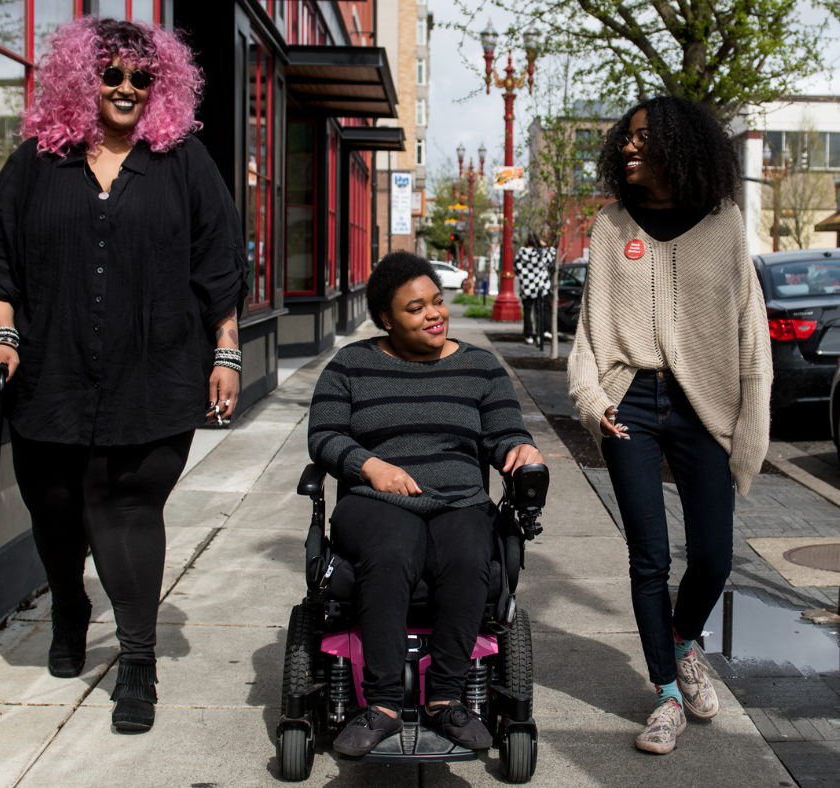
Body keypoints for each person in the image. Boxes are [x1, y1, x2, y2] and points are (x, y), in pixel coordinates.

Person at [0, 18, 248, 732]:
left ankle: (138, 663)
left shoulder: (181, 160)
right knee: (55, 513)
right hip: (50, 376)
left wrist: (227, 350)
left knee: (128, 510)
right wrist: (2, 333)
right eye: (110, 74)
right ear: (80, 80)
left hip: (153, 376)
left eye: (140, 77)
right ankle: (69, 603)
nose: (125, 88)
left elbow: (219, 264)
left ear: (161, 87)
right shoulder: (38, 161)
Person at [567, 96, 772, 754]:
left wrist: (750, 433)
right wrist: (593, 402)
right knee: (649, 558)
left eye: (644, 139)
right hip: (630, 403)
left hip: (702, 408)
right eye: (625, 139)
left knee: (713, 558)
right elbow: (587, 340)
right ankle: (664, 696)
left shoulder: (723, 223)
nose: (628, 148)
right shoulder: (609, 227)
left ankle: (684, 642)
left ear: (679, 146)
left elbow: (752, 338)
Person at [308, 251, 545, 757]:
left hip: (458, 499)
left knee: (466, 554)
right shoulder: (351, 364)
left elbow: (505, 433)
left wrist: (519, 450)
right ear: (387, 319)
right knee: (391, 552)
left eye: (437, 301)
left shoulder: (480, 366)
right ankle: (384, 704)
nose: (435, 314)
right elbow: (324, 435)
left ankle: (446, 698)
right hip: (374, 500)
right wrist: (370, 467)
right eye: (416, 309)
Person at [513, 238, 552, 344]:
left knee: (527, 312)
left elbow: (516, 270)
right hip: (540, 287)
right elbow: (552, 255)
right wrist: (544, 245)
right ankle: (541, 333)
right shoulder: (540, 254)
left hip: (526, 288)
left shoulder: (519, 255)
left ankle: (528, 335)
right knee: (540, 311)